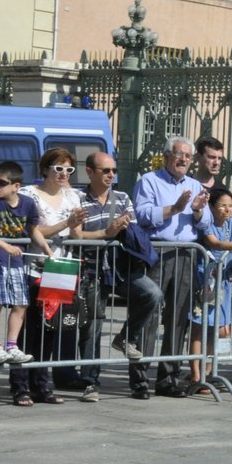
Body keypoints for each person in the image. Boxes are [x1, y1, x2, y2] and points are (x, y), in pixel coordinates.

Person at [127, 136, 210, 399]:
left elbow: (205, 223)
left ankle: (169, 378)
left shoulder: (195, 184)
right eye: (179, 154)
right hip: (156, 252)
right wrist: (173, 209)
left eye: (188, 156)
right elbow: (141, 215)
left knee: (179, 317)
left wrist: (196, 211)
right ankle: (140, 378)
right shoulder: (149, 181)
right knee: (149, 316)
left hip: (186, 254)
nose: (183, 160)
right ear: (166, 156)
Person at [56, 152, 133, 402]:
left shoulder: (122, 198)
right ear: (89, 172)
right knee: (75, 323)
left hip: (114, 269)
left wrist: (116, 231)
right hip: (81, 269)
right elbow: (76, 235)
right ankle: (69, 374)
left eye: (114, 170)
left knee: (149, 297)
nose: (111, 175)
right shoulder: (78, 198)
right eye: (105, 170)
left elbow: (131, 226)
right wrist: (106, 233)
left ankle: (92, 376)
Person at [18, 149, 88, 406]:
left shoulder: (73, 195)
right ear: (46, 168)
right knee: (29, 329)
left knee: (50, 327)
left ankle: (41, 384)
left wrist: (79, 224)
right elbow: (34, 229)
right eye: (59, 168)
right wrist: (66, 223)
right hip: (34, 267)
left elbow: (77, 234)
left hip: (60, 268)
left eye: (69, 170)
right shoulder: (30, 194)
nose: (63, 174)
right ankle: (20, 385)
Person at [0, 161, 47, 401]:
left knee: (20, 304)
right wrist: (4, 245)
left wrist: (47, 249)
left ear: (16, 186)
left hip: (15, 262)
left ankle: (11, 345)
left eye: (2, 183)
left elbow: (33, 229)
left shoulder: (27, 203)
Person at [194, 189, 232, 392]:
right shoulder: (206, 224)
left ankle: (210, 372)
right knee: (200, 327)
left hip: (224, 283)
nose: (227, 210)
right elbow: (214, 243)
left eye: (230, 206)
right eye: (222, 205)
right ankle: (197, 375)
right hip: (206, 280)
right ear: (212, 207)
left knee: (221, 329)